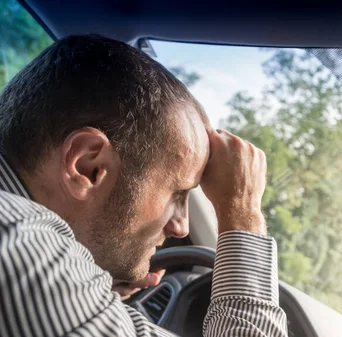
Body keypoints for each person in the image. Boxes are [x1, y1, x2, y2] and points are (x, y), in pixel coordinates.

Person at [0, 34, 287, 337]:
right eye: (177, 193)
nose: (181, 228)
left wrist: (90, 290)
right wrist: (242, 211)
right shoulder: (23, 244)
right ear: (87, 166)